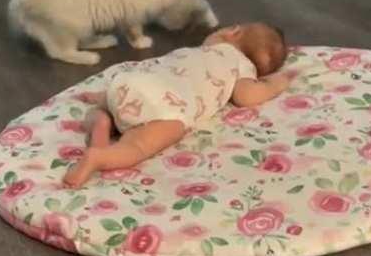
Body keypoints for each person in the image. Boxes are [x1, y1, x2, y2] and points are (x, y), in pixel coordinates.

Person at [64, 22, 290, 188]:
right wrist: (276, 84)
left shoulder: (202, 51)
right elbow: (247, 96)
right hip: (164, 105)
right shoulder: (241, 65)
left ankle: (101, 122)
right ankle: (99, 157)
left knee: (107, 107)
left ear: (232, 31)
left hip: (128, 83)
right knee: (141, 144)